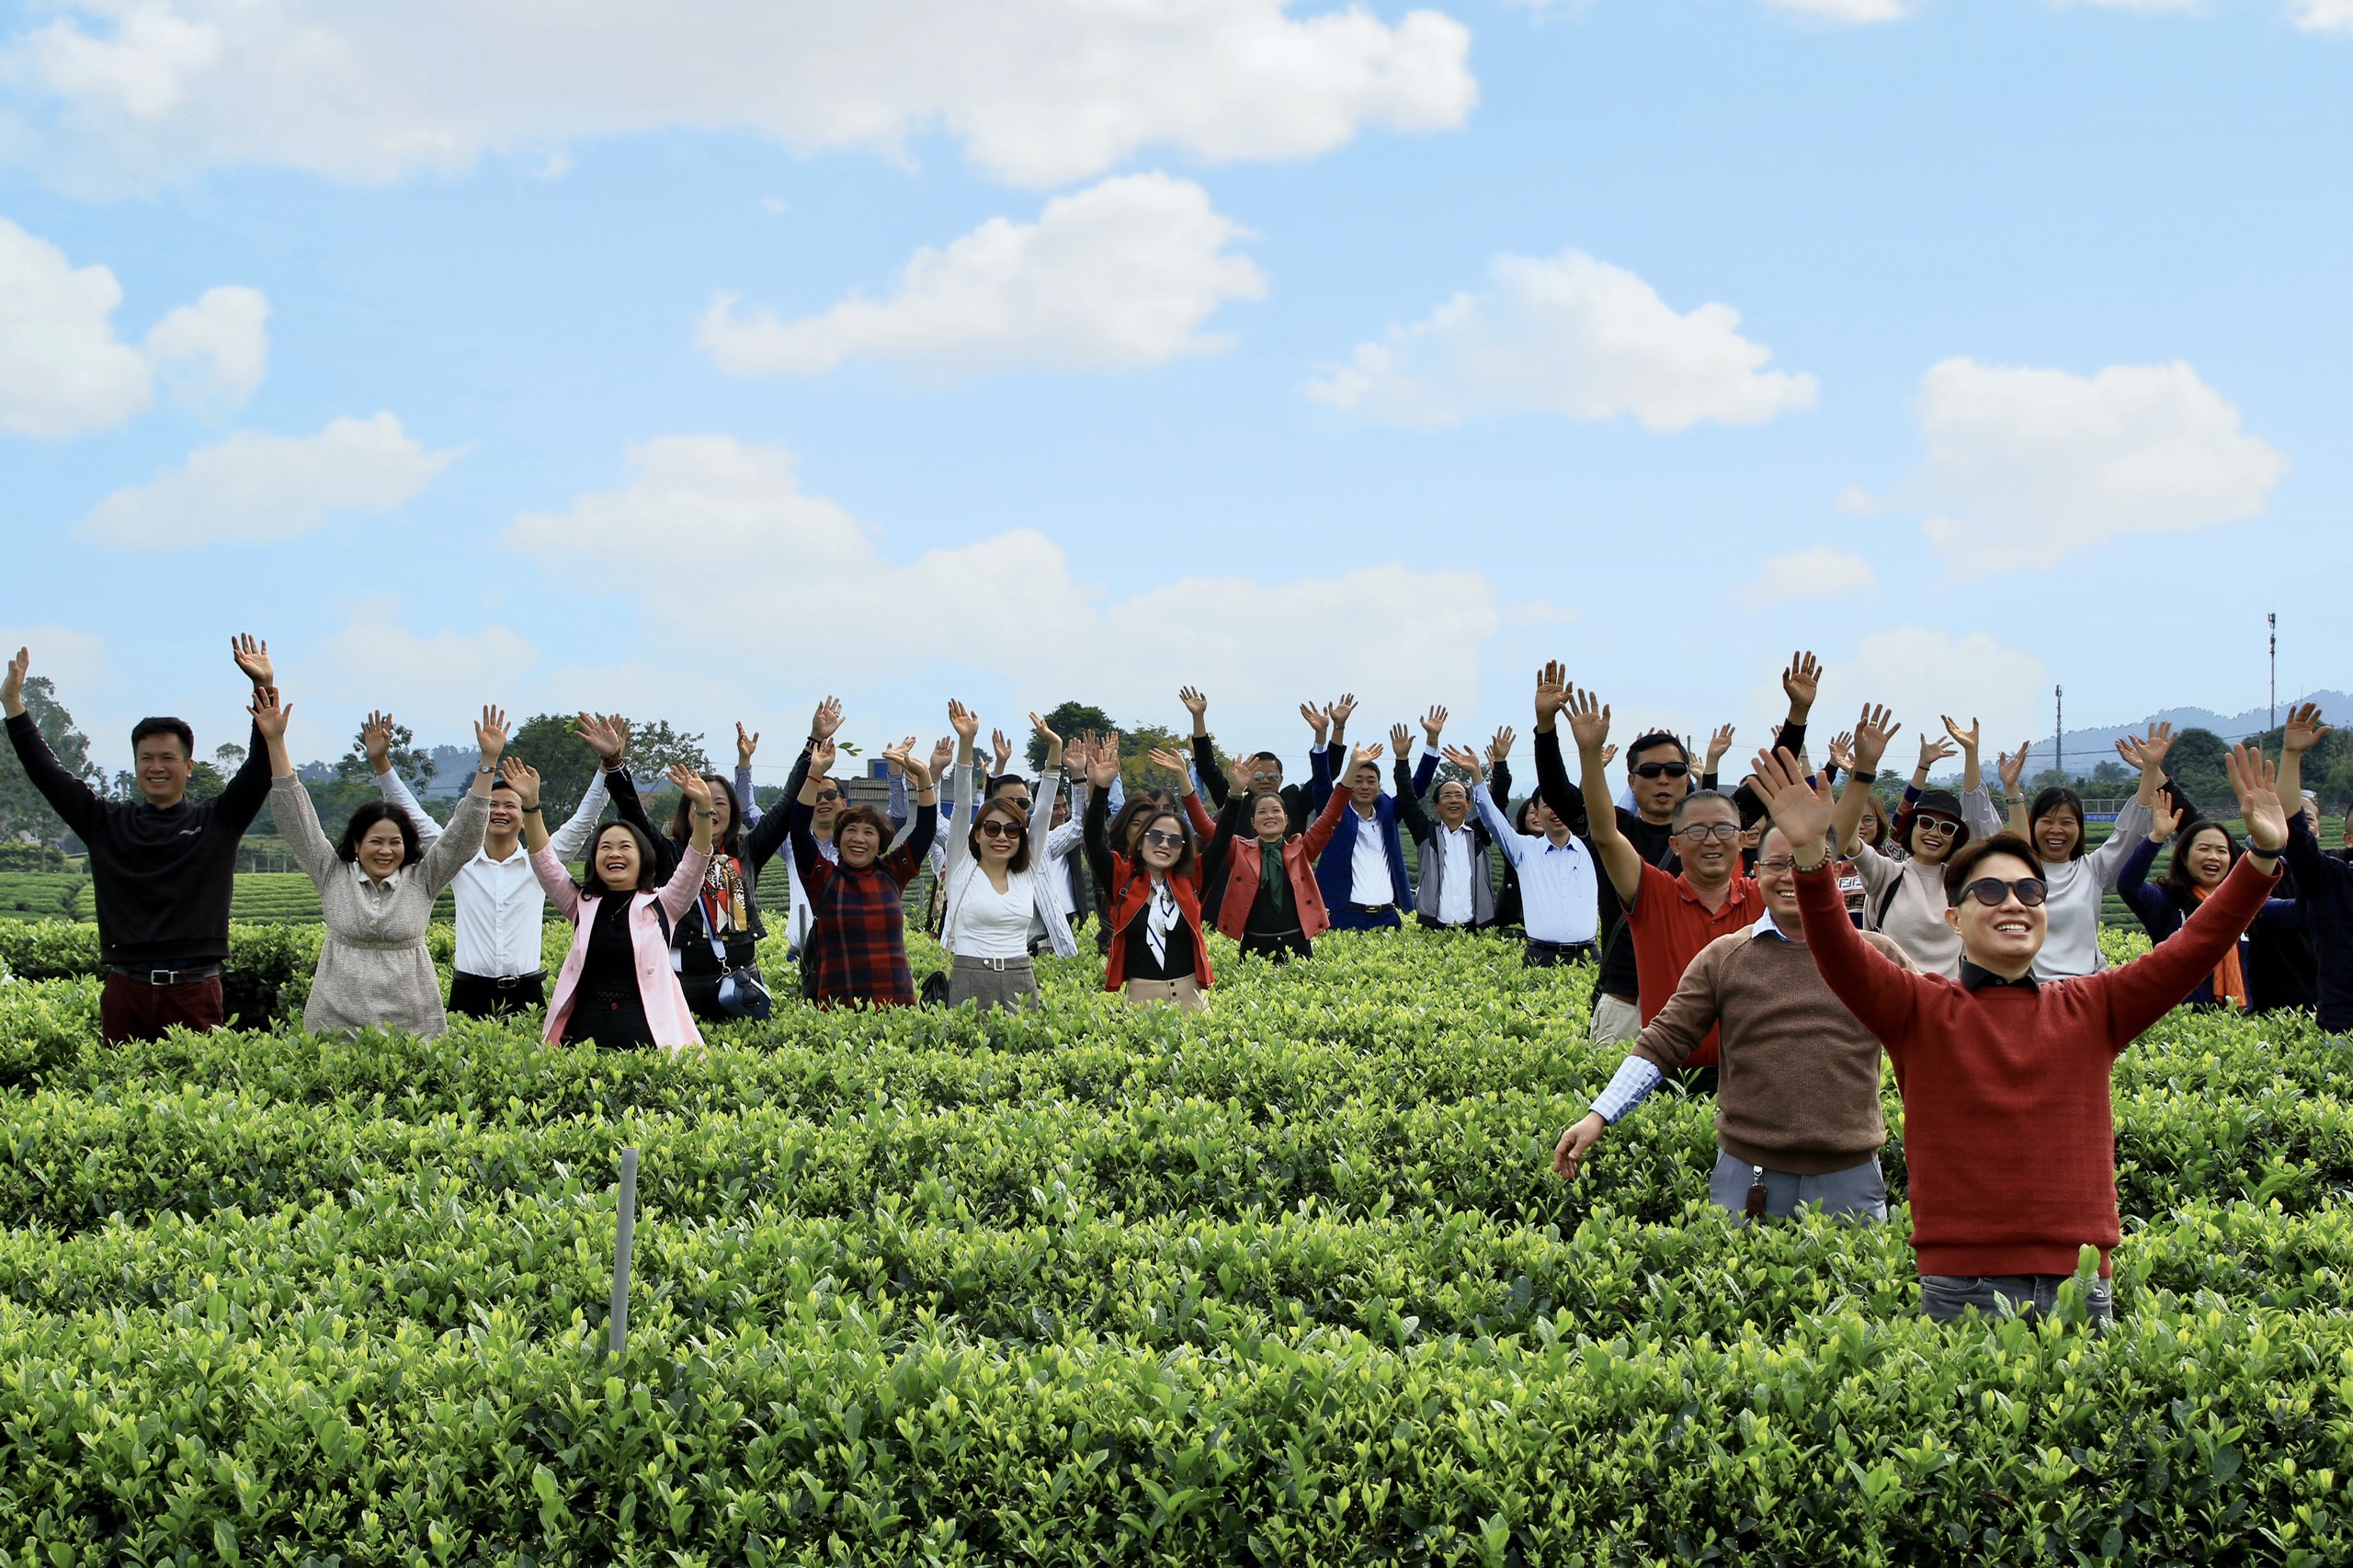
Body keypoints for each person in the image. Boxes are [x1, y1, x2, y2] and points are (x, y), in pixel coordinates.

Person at [1752, 741, 2291, 1324]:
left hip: (2082, 1284)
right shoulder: (1918, 1008)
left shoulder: (2093, 1005)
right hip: (1962, 1287)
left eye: (2029, 891)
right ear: (1954, 918)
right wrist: (1809, 859)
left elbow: (2195, 946)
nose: (2014, 902)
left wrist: (2261, 855)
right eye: (1989, 890)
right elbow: (1839, 951)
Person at [1553, 822, 1918, 1220]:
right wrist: (1599, 1114)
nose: (1790, 876)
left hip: (1851, 1176)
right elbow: (1663, 1041)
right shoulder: (1724, 956)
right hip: (1747, 1175)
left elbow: (1928, 1040)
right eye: (1777, 864)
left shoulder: (1878, 955)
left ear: (1832, 872)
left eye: (1807, 862)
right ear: (1757, 873)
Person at [1535, 653, 1819, 1048]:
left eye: (1674, 770)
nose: (1663, 780)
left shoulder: (1714, 826)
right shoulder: (1617, 828)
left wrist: (1797, 714)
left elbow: (1770, 776)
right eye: (1651, 772)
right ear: (1631, 781)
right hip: (1627, 999)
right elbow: (1558, 792)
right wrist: (1547, 728)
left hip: (1716, 998)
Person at [2, 638, 277, 1043]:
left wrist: (265, 687)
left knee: (198, 1095)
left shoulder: (218, 820)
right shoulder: (105, 823)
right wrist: (13, 705)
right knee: (117, 1094)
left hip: (194, 989)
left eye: (167, 757)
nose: (156, 767)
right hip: (125, 988)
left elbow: (259, 768)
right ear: (135, 766)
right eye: (146, 758)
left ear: (188, 766)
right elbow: (49, 775)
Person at [1564, 678, 1768, 1090]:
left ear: (1743, 839)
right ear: (1675, 843)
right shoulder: (1655, 893)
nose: (1711, 840)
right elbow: (1605, 835)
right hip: (1660, 1076)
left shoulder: (1761, 898)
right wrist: (1589, 755)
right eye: (1697, 832)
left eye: (1722, 829)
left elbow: (1818, 854)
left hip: (1748, 1077)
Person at [258, 693, 500, 1039]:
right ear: (356, 845)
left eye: (395, 842)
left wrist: (488, 762)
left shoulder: (423, 879)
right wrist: (276, 741)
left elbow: (462, 837)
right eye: (376, 841)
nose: (385, 851)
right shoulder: (332, 874)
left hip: (412, 1025)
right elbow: (298, 822)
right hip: (335, 1024)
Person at [364, 710, 612, 1017]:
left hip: (527, 994)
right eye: (492, 805)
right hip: (470, 992)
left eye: (511, 805)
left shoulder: (542, 863)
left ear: (524, 818)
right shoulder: (459, 860)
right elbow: (413, 815)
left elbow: (583, 821)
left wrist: (608, 765)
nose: (500, 811)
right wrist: (381, 763)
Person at [516, 760, 715, 1052]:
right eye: (605, 847)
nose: (614, 853)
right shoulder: (580, 904)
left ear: (642, 857)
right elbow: (545, 861)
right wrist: (531, 805)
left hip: (649, 1046)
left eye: (625, 846)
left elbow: (695, 861)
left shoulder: (663, 905)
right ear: (595, 859)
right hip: (582, 1045)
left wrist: (704, 810)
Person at [1829, 710, 2000, 979]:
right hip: (1894, 1003)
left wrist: (1971, 753)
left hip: (1947, 1007)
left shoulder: (1960, 882)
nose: (1935, 833)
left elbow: (1990, 840)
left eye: (1946, 828)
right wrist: (1864, 770)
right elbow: (1846, 840)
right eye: (1926, 823)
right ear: (1911, 828)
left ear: (1955, 838)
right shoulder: (1888, 874)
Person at [1995, 726, 2167, 981]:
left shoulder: (2093, 869)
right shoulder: (2024, 870)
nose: (2056, 830)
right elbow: (2018, 842)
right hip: (2030, 992)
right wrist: (2012, 789)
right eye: (2047, 821)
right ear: (2034, 824)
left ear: (2079, 829)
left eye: (2066, 822)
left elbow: (2130, 832)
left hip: (2083, 989)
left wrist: (2151, 768)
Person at [936, 703, 1074, 1009]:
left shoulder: (1025, 870)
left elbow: (1043, 809)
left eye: (1012, 830)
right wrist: (967, 743)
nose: (1002, 836)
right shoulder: (962, 865)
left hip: (1021, 978)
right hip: (968, 976)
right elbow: (960, 806)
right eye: (993, 828)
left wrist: (1055, 747)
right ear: (977, 833)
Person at [789, 736, 938, 1008]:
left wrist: (924, 776)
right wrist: (815, 775)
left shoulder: (893, 872)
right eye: (851, 831)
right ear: (839, 839)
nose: (859, 839)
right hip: (840, 1011)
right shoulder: (823, 878)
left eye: (868, 832)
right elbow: (798, 831)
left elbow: (926, 829)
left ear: (880, 843)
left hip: (897, 1007)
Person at [2115, 804, 2302, 1009]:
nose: (2213, 856)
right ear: (2184, 858)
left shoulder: (2247, 905)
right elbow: (2128, 885)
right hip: (2181, 1022)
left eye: (2222, 850)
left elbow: (2301, 910)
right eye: (2204, 848)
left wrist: (2297, 853)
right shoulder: (2166, 900)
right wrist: (2156, 838)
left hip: (2237, 1026)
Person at [1084, 738, 1214, 1009]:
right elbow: (1094, 841)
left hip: (1192, 998)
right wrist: (1101, 789)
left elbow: (1221, 841)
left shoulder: (1190, 879)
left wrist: (1233, 795)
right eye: (1155, 836)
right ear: (1140, 841)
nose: (1164, 844)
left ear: (1183, 848)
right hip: (1142, 998)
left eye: (1174, 840)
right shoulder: (1121, 876)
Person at [1204, 744, 1366, 961]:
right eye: (1262, 812)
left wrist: (1353, 767)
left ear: (1287, 819)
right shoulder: (1239, 851)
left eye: (1276, 811)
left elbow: (1330, 816)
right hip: (1254, 949)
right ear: (1253, 822)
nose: (1269, 816)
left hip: (1297, 947)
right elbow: (1206, 829)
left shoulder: (1301, 849)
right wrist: (1227, 791)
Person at [1447, 741, 1595, 966]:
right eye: (1547, 805)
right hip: (1540, 957)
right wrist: (1477, 776)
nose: (1555, 811)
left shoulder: (1591, 848)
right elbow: (1494, 821)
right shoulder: (1524, 849)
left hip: (1588, 957)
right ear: (1537, 810)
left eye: (1561, 804)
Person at [2273, 705, 2351, 1036]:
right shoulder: (2331, 880)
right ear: (2349, 838)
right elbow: (2293, 826)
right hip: (2343, 1031)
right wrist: (2291, 756)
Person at [1391, 712, 1497, 932]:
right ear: (1437, 806)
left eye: (1459, 795)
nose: (1454, 800)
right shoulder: (1427, 833)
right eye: (1447, 796)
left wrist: (1497, 770)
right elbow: (1408, 799)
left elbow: (1496, 806)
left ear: (1469, 805)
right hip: (1433, 931)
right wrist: (1404, 759)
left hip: (1477, 931)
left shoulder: (1480, 833)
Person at [1312, 720, 1415, 933]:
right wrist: (1321, 738)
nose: (1365, 786)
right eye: (1358, 780)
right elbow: (1322, 783)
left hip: (1388, 918)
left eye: (1371, 780)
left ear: (1379, 785)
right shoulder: (1336, 814)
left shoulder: (1387, 812)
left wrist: (1403, 758)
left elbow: (1415, 791)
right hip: (1345, 916)